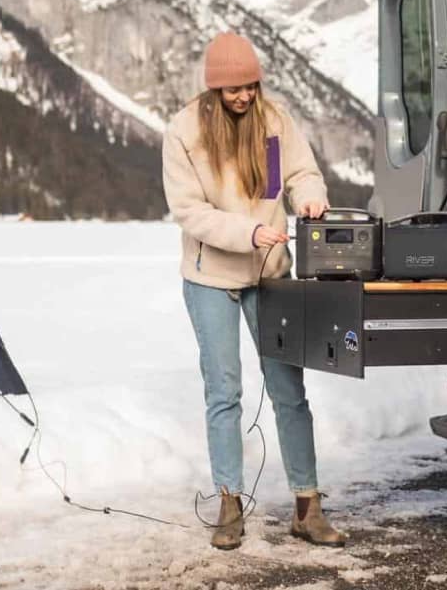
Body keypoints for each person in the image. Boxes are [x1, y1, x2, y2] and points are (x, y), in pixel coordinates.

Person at [162, 31, 347, 551]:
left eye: (251, 86)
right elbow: (189, 211)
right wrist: (247, 232)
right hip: (212, 278)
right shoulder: (184, 131)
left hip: (270, 275)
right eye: (233, 89)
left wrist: (309, 198)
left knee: (289, 390)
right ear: (214, 89)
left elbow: (301, 173)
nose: (244, 96)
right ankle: (229, 505)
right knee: (224, 393)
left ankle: (308, 507)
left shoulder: (274, 120)